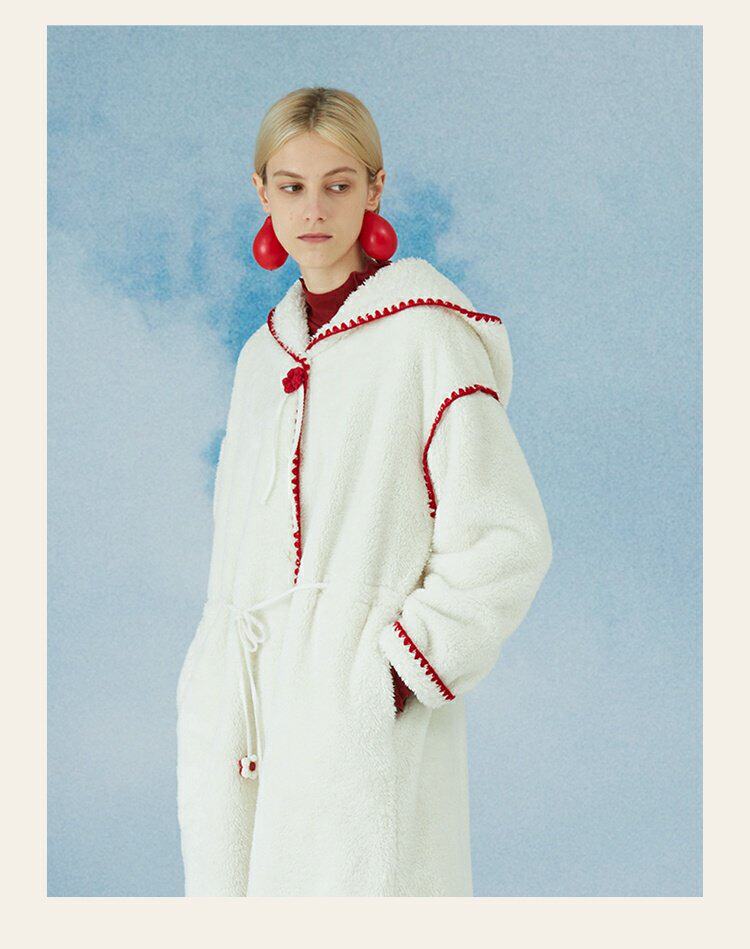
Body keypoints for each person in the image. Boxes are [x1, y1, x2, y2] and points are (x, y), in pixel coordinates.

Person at [176, 86, 554, 897]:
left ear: (376, 189)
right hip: (244, 727)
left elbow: (505, 537)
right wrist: (212, 690)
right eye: (292, 186)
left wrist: (388, 678)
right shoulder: (260, 360)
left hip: (359, 723)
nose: (313, 210)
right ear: (261, 192)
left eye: (338, 184)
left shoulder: (427, 336)